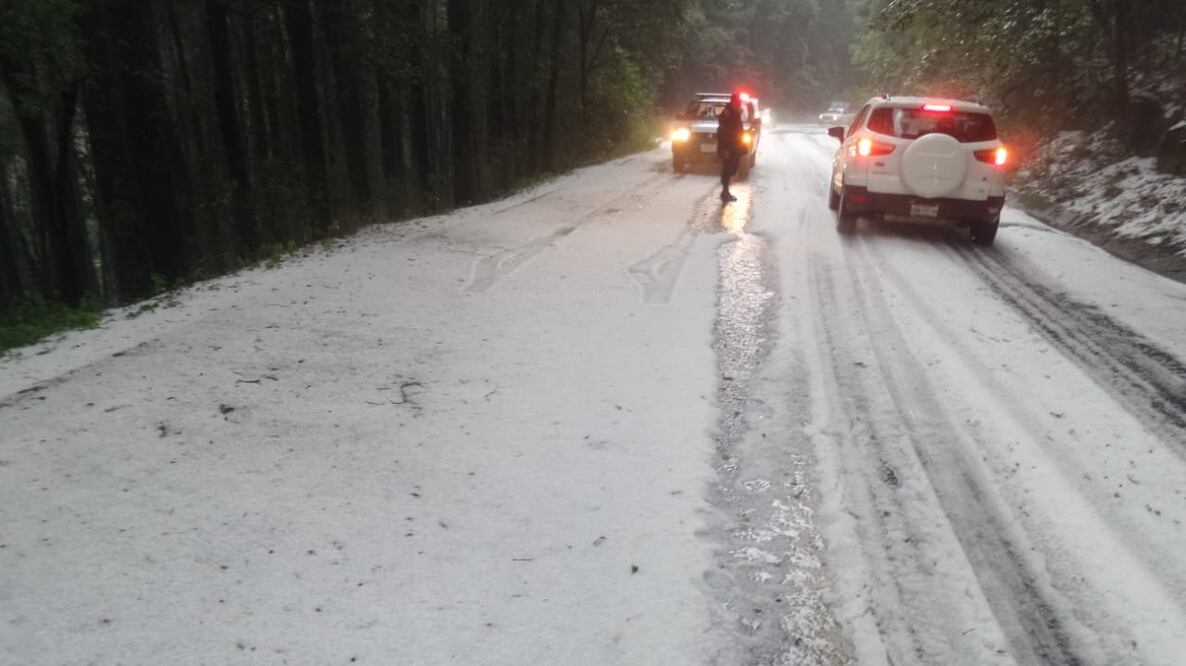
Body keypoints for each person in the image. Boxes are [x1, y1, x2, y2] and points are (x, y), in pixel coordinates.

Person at [716, 92, 746, 202]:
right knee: (727, 169)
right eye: (738, 102)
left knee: (732, 168)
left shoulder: (735, 112)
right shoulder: (728, 113)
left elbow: (738, 131)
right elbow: (722, 131)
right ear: (733, 101)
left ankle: (725, 191)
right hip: (728, 147)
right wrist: (726, 148)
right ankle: (725, 192)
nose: (739, 103)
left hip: (735, 146)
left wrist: (741, 146)